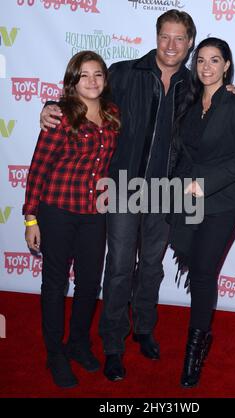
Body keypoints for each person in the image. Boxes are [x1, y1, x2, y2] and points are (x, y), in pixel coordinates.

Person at [40, 11, 235, 382]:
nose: (171, 45)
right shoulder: (125, 71)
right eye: (165, 36)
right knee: (117, 268)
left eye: (180, 39)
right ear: (156, 35)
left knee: (151, 266)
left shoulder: (195, 83)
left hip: (166, 192)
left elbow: (216, 112)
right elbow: (85, 96)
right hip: (121, 188)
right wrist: (50, 107)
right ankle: (113, 344)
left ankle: (144, 329)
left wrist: (228, 92)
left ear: (190, 43)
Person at [23, 51, 120, 388]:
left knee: (90, 283)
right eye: (84, 75)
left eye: (98, 75)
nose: (92, 81)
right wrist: (30, 218)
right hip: (57, 210)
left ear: (105, 80)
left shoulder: (112, 114)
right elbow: (39, 168)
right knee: (54, 285)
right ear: (72, 81)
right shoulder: (60, 116)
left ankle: (78, 343)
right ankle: (55, 354)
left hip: (94, 213)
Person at [169, 37, 235, 388]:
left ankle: (195, 349)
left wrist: (204, 183)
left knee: (204, 272)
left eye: (215, 60)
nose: (207, 67)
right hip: (183, 200)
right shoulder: (187, 102)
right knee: (193, 263)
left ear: (226, 65)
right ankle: (201, 335)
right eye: (201, 60)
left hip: (220, 202)